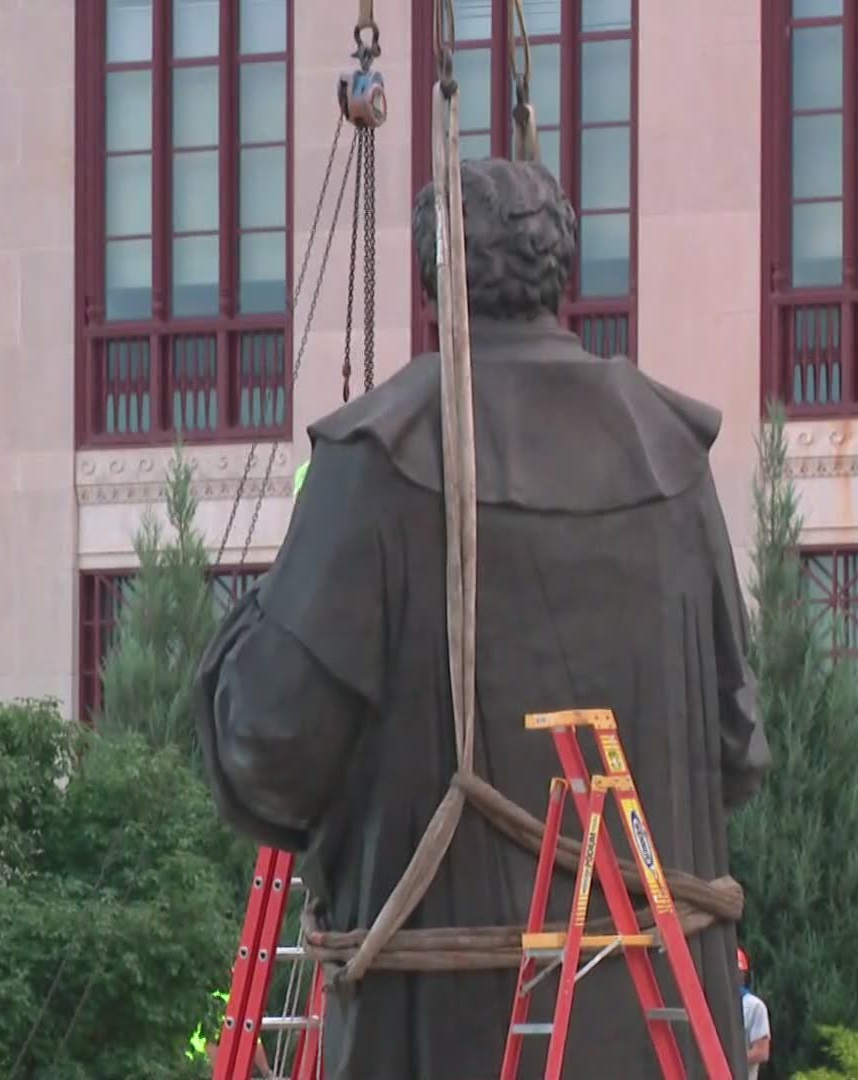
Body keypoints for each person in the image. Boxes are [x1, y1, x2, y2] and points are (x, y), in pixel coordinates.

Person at [192, 156, 770, 1079]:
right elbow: (738, 750)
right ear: (560, 274)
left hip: (440, 1040)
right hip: (662, 1038)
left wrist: (233, 642)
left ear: (433, 281)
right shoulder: (671, 460)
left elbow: (269, 747)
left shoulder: (378, 458)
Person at [738, 948, 772, 1080]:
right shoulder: (713, 1004)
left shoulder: (754, 1006)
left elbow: (762, 1052)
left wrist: (729, 1061)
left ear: (743, 975)